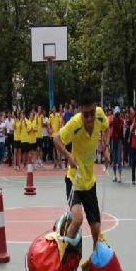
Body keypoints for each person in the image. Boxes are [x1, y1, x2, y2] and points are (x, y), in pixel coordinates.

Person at [52, 86, 110, 253]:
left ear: (95, 107)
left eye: (92, 113)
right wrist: (68, 156)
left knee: (96, 229)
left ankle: (94, 262)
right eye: (86, 114)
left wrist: (106, 147)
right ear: (80, 111)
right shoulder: (75, 124)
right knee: (77, 219)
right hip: (74, 180)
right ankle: (63, 255)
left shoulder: (100, 115)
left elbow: (106, 128)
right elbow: (56, 139)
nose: (90, 118)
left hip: (89, 182)